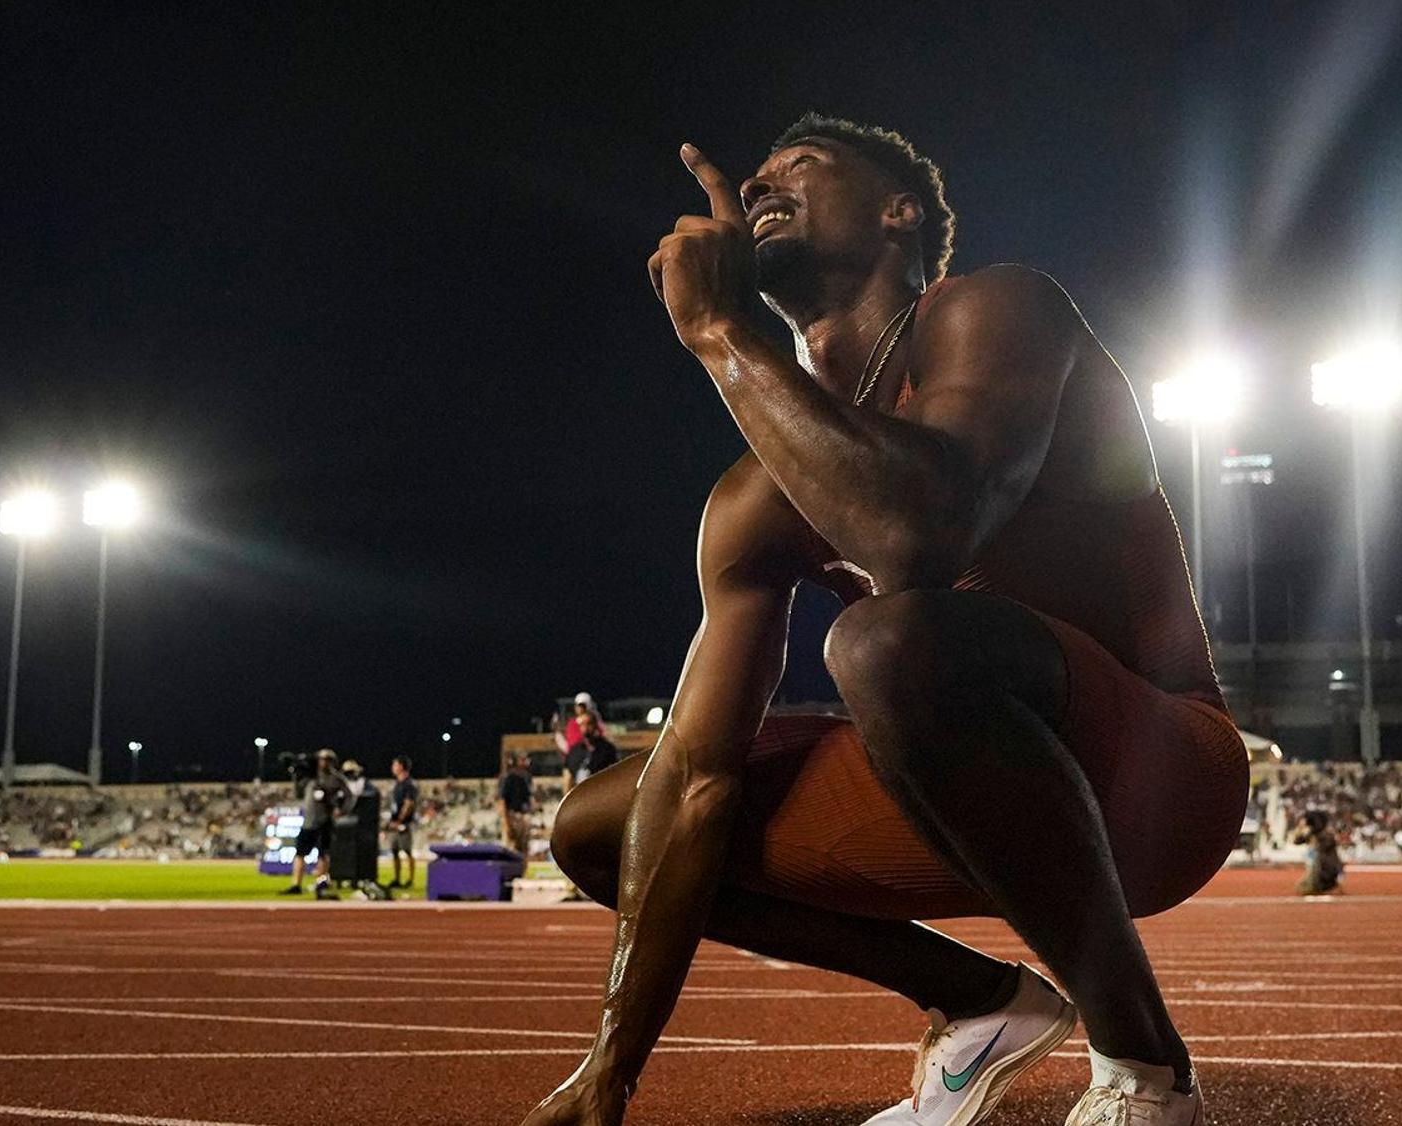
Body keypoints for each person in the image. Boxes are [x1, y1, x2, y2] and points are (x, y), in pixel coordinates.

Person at [528, 115, 1244, 1126]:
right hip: (967, 796)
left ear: (897, 212)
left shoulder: (997, 309)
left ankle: (1144, 1068)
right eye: (755, 174)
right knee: (604, 827)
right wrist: (607, 1075)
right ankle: (980, 1001)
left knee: (885, 642)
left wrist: (720, 333)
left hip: (1157, 778)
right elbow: (693, 777)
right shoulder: (755, 492)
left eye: (800, 165)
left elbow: (920, 537)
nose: (759, 182)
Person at [282, 749, 350, 899]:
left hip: (325, 820)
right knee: (300, 853)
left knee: (323, 855)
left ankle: (321, 884)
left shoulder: (336, 779)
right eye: (322, 759)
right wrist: (296, 775)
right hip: (309, 821)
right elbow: (298, 793)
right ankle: (296, 884)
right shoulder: (310, 778)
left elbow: (349, 797)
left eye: (327, 760)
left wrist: (342, 810)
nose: (324, 763)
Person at [386, 755, 420, 888]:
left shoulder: (409, 784)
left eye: (395, 765)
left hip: (404, 823)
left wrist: (400, 820)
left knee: (407, 851)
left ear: (401, 766)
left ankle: (410, 880)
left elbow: (409, 804)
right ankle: (397, 879)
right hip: (395, 822)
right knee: (394, 851)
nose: (392, 767)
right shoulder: (397, 784)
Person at [1293, 809, 1344, 896]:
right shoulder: (1319, 834)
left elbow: (1298, 841)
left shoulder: (1323, 836)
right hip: (1328, 869)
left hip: (1327, 870)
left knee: (1304, 888)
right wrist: (1301, 829)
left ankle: (1327, 886)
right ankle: (1328, 886)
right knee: (1301, 887)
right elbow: (1297, 841)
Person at [566, 712, 620, 787]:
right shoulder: (574, 751)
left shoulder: (607, 749)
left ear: (595, 725)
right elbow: (570, 776)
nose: (586, 728)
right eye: (582, 724)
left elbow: (615, 773)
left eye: (589, 724)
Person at [498, 753, 535, 855]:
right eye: (522, 760)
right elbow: (502, 801)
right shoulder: (507, 778)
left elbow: (528, 799)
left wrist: (528, 814)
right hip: (511, 815)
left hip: (521, 816)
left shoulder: (524, 778)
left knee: (523, 846)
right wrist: (506, 821)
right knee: (509, 847)